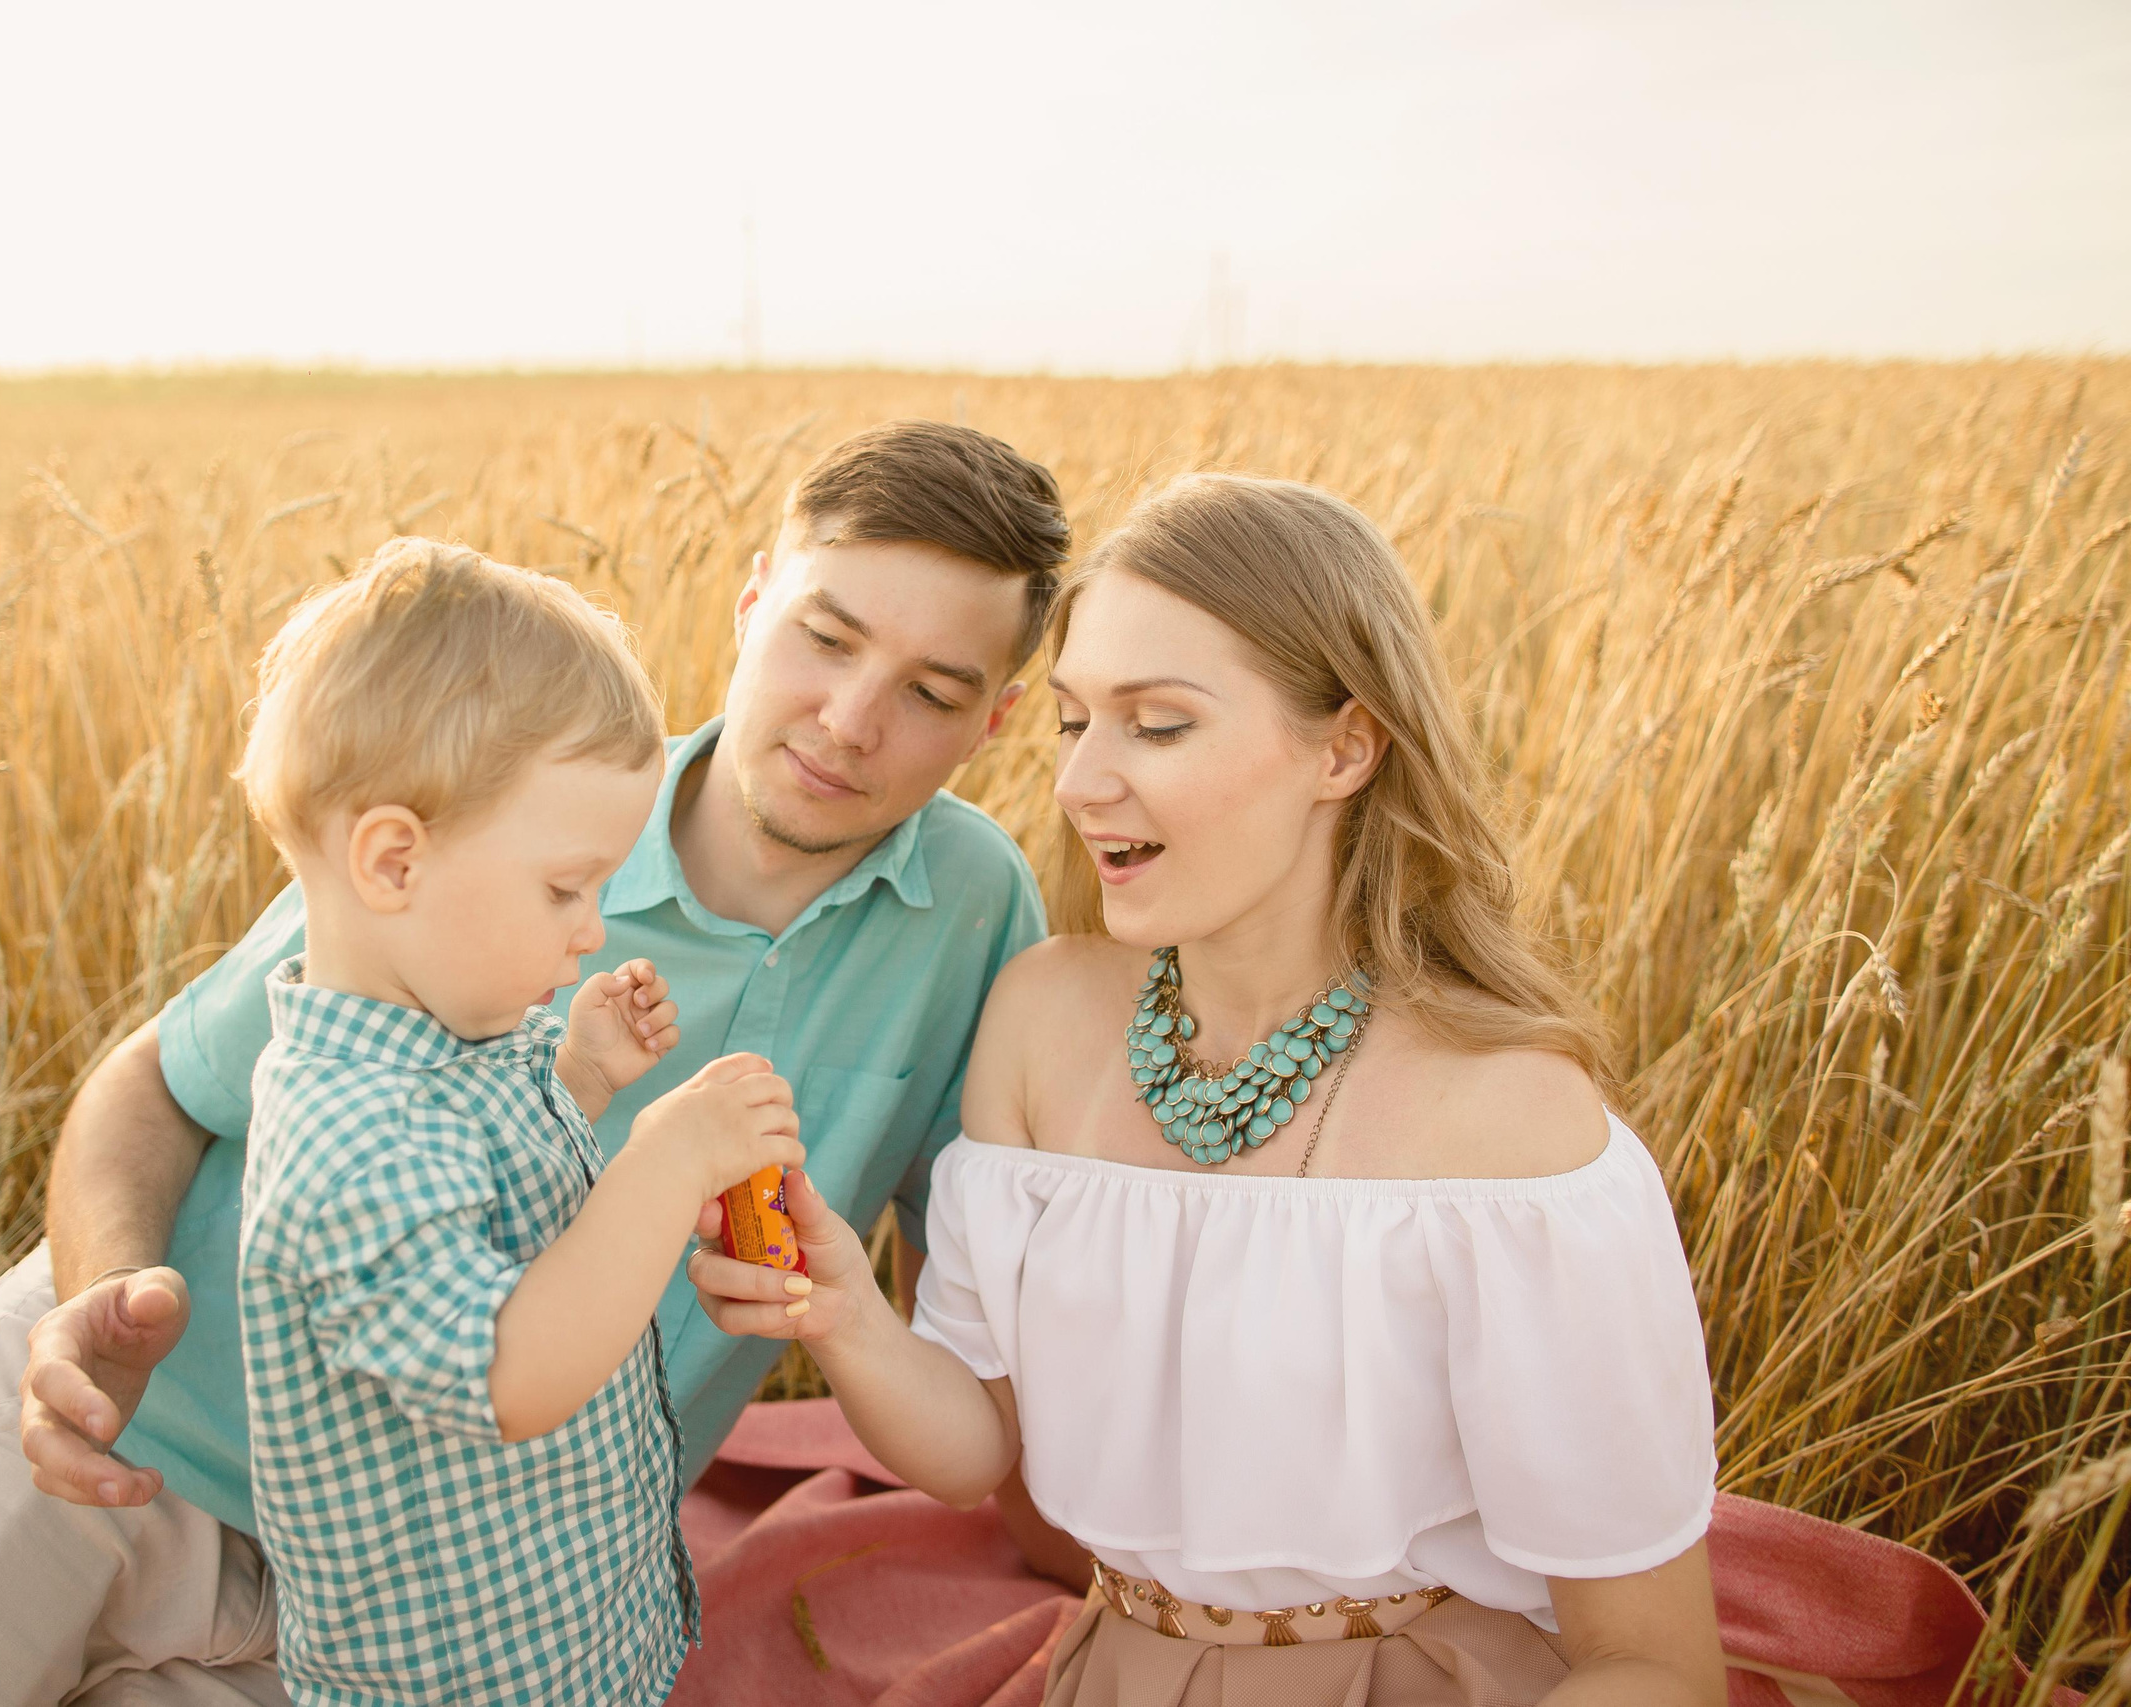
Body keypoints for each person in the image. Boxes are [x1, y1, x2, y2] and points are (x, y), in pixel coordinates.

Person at [0, 421, 1071, 1707]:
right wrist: (107, 1301)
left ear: (996, 720)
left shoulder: (973, 912)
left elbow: (970, 1324)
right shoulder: (514, 803)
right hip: (125, 1448)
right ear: (752, 598)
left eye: (931, 692)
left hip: (434, 1608)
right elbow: (160, 1082)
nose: (847, 717)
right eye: (823, 639)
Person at [690, 475, 1728, 1706]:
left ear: (1344, 748)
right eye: (1074, 723)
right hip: (1111, 1670)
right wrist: (843, 1310)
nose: (1077, 786)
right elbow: (975, 1449)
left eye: (1159, 725)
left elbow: (1654, 1667)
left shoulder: (1513, 1128)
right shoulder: (1041, 1019)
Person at [228, 541, 806, 1705]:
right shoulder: (346, 1135)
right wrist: (671, 1156)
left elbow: (492, 1202)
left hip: (568, 1635)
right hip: (461, 1679)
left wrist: (586, 1076)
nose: (590, 929)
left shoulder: (464, 1039)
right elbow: (510, 1372)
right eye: (563, 889)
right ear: (394, 860)